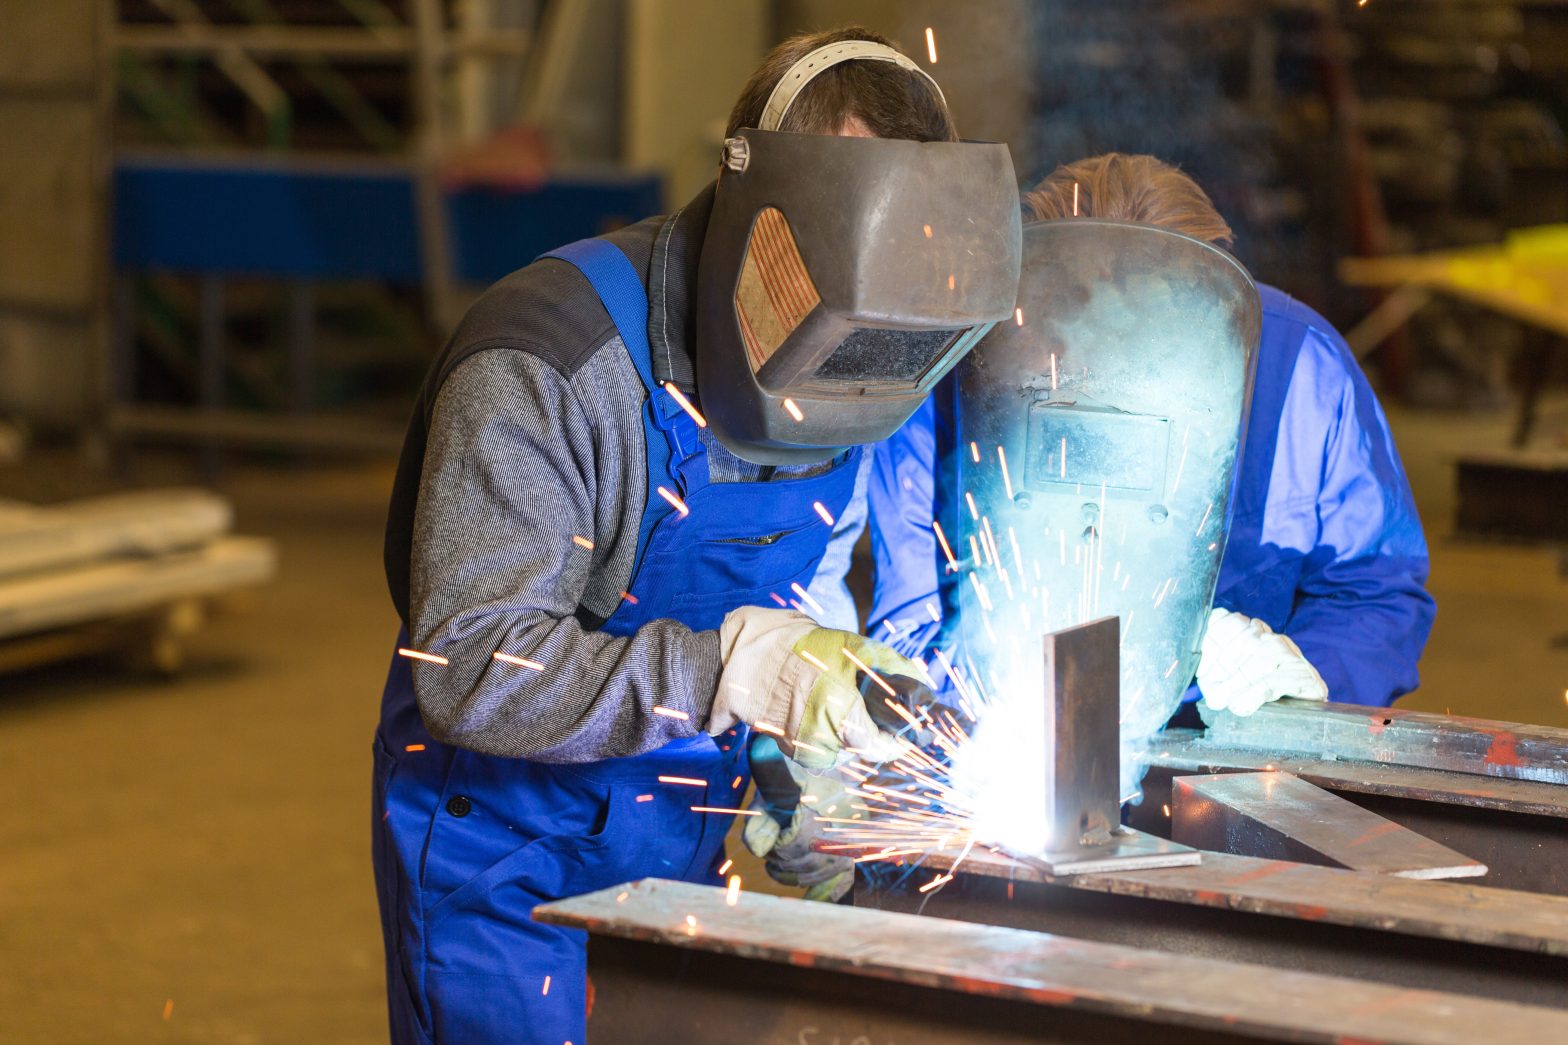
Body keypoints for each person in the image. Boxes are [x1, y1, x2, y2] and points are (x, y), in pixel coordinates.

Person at [371, 27, 1021, 1045]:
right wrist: (730, 671)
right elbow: (468, 668)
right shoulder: (548, 359)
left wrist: (805, 770)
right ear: (754, 226)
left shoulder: (881, 356)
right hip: (504, 850)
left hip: (682, 826)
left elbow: (794, 618)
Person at [857, 153, 1436, 718]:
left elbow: (1377, 592)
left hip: (1234, 757)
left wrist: (1304, 678)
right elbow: (911, 625)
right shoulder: (959, 370)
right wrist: (989, 678)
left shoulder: (1302, 372)